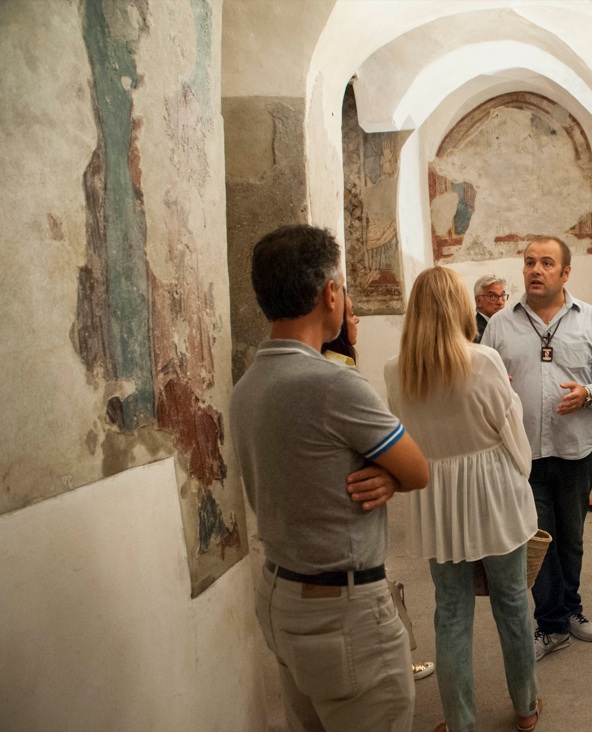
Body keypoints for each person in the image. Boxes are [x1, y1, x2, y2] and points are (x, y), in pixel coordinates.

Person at [230, 224, 429, 732]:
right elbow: (418, 469)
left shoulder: (249, 383)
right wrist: (392, 476)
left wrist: (383, 478)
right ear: (330, 293)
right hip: (342, 609)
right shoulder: (332, 383)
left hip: (281, 593)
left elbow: (310, 469)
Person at [385, 266, 541, 732]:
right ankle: (526, 708)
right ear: (459, 307)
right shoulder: (483, 360)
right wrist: (522, 473)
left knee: (450, 610)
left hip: (437, 496)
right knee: (512, 601)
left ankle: (459, 722)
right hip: (494, 491)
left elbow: (406, 437)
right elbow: (511, 432)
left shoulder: (397, 371)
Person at [481, 236, 592, 661]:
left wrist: (588, 393)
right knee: (537, 540)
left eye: (547, 263)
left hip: (575, 449)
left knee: (572, 540)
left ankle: (571, 609)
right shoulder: (500, 324)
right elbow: (483, 385)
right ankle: (551, 623)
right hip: (521, 454)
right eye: (529, 262)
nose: (535, 270)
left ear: (566, 273)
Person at [320, 293, 436, 684]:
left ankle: (399, 659)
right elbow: (414, 469)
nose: (357, 322)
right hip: (349, 530)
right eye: (351, 314)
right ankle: (397, 664)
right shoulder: (339, 376)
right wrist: (392, 473)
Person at [473, 274, 508, 343]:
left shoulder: (503, 325)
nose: (500, 302)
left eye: (502, 295)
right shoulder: (475, 332)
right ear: (479, 301)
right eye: (492, 296)